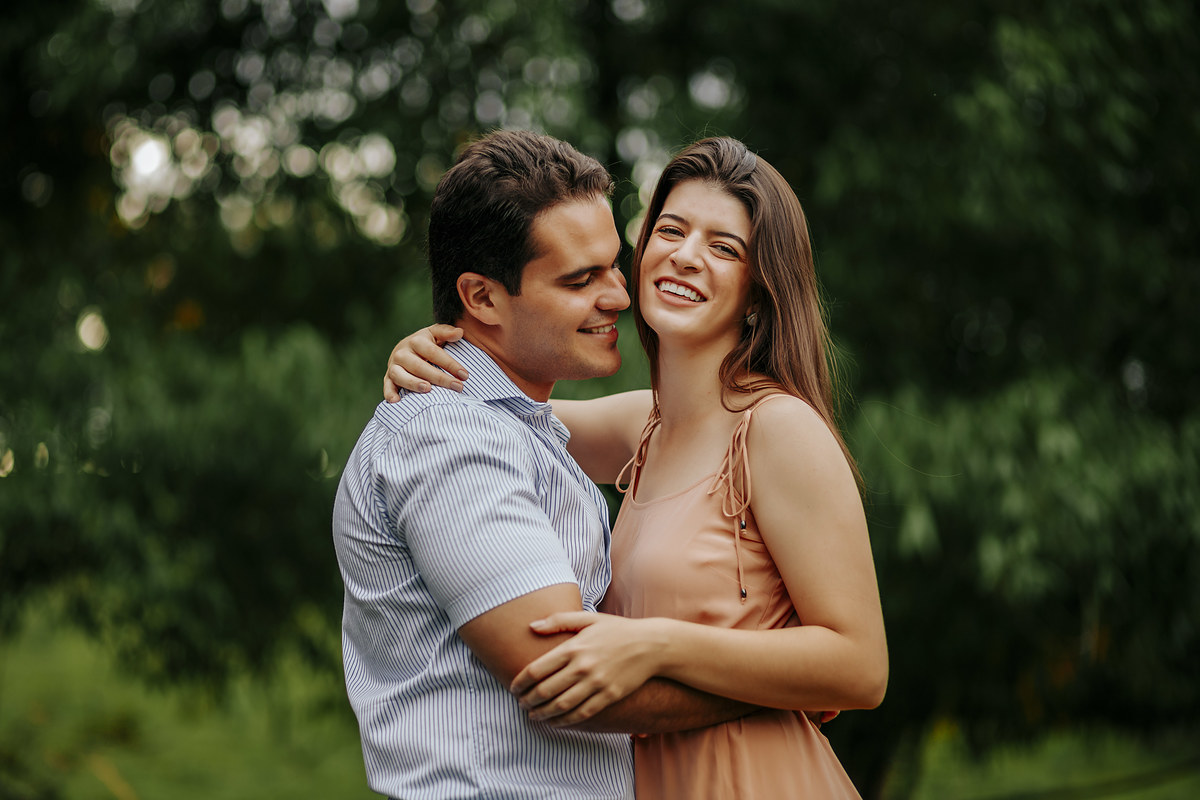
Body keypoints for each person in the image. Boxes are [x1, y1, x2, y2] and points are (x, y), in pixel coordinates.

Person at [383, 136, 888, 798]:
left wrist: (658, 645)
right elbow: (493, 418)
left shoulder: (777, 430)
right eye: (671, 230)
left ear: (760, 292)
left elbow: (861, 666)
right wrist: (427, 354)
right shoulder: (640, 427)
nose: (685, 255)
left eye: (724, 247)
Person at [333, 130, 756, 800]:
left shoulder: (512, 427)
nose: (618, 295)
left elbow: (695, 421)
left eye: (615, 265)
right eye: (580, 279)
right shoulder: (450, 440)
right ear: (482, 299)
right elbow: (564, 680)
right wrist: (774, 690)